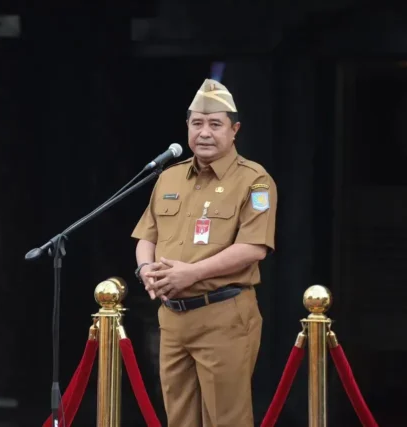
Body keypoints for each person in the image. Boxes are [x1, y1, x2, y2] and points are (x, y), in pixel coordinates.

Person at [131, 78, 277, 427]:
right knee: (178, 417)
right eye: (197, 123)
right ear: (187, 127)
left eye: (215, 124)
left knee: (226, 419)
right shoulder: (169, 177)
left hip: (223, 315)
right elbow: (145, 237)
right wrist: (145, 270)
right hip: (172, 317)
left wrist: (192, 273)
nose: (205, 132)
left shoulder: (255, 180)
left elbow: (253, 248)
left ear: (234, 129)